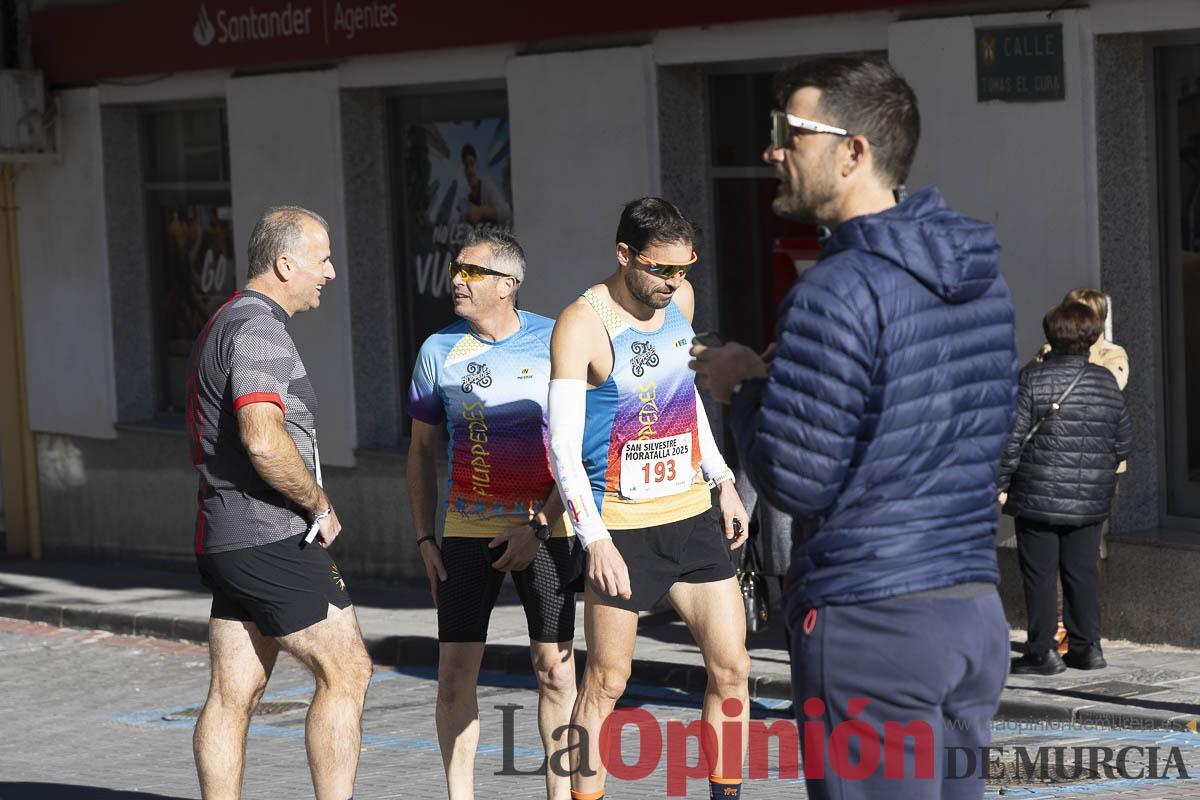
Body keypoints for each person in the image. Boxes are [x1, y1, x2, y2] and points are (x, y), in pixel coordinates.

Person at [690, 56, 1017, 799]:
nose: (773, 150)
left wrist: (743, 387)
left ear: (855, 152)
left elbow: (798, 479)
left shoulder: (833, 291)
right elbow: (972, 427)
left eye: (789, 132)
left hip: (873, 621)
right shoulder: (977, 275)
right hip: (971, 610)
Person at [548, 197, 751, 800]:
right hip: (621, 527)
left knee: (734, 669)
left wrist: (723, 480)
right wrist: (595, 539)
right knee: (606, 684)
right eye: (661, 270)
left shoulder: (680, 303)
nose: (674, 283)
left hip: (689, 515)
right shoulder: (581, 323)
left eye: (684, 269)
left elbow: (687, 408)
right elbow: (560, 447)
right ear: (623, 255)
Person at [187, 206, 372, 800]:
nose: (331, 272)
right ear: (285, 263)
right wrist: (319, 503)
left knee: (232, 691)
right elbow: (263, 440)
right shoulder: (259, 329)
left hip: (228, 536)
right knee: (347, 671)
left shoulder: (225, 320)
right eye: (322, 259)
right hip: (271, 536)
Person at [407, 228, 578, 800]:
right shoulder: (438, 350)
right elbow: (421, 451)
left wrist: (539, 525)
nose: (457, 279)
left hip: (547, 525)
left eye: (471, 272)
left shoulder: (557, 339)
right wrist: (425, 537)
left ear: (508, 285)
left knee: (555, 669)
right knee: (455, 672)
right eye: (456, 268)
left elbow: (581, 446)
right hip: (465, 527)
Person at [997, 301, 1132, 675]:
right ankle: (1087, 648)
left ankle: (1042, 651)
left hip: (1037, 495)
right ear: (1090, 337)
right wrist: (1097, 478)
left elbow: (1012, 439)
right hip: (1090, 498)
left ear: (1051, 335)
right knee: (1082, 572)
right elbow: (1122, 443)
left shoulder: (1034, 379)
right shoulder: (1105, 381)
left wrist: (1000, 482)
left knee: (1040, 574)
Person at [456, 143, 513, 227]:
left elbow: (506, 213)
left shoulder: (487, 187)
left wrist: (481, 211)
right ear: (464, 171)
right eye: (466, 166)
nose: (470, 170)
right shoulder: (468, 200)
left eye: (471, 164)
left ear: (476, 166)